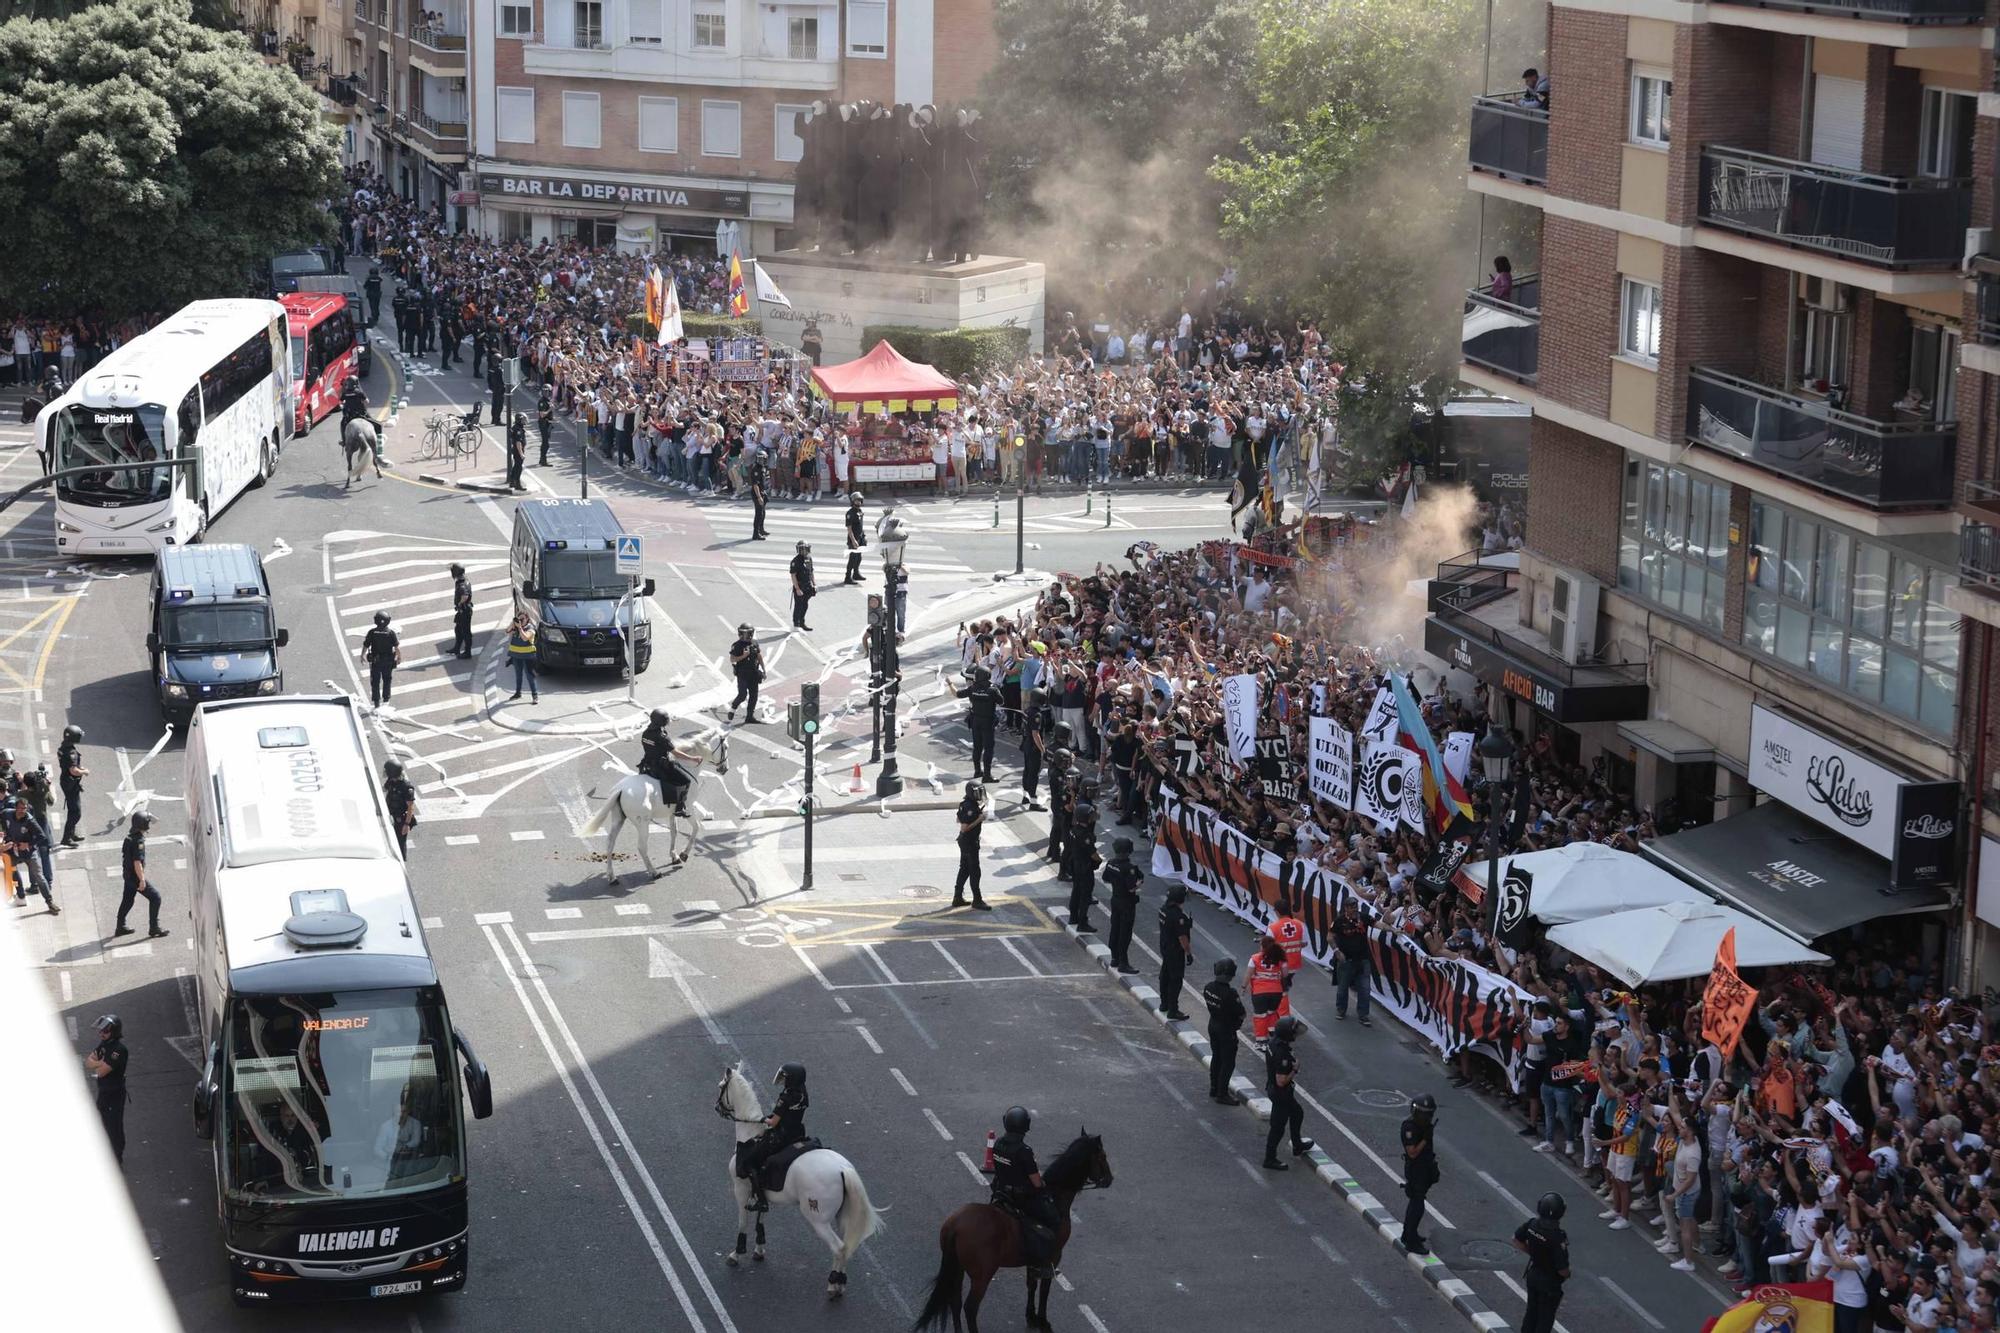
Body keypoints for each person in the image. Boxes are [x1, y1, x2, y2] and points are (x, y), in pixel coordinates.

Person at [990, 1105, 1057, 1271]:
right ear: (1025, 1126)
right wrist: (1044, 1184)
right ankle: (1045, 1264)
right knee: (1053, 1220)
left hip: (1001, 1193)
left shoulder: (997, 1143)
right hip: (1021, 1198)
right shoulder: (1024, 1151)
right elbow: (1036, 1183)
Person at [736, 1063, 809, 1212]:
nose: (782, 1080)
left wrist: (761, 1119)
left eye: (785, 1077)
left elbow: (774, 1122)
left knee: (750, 1161)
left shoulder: (786, 1097)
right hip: (797, 1132)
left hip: (781, 1135)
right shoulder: (803, 1093)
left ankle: (761, 1200)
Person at [1262, 1014, 1313, 1169]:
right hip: (1280, 1093)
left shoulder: (1273, 1042)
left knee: (1297, 1113)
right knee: (1277, 1128)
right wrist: (1295, 1070)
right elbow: (1281, 1081)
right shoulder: (1282, 1054)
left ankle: (1297, 1145)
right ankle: (1269, 1159)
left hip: (1277, 1090)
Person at [1514, 1192, 1570, 1333]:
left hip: (1533, 1275)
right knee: (1545, 1319)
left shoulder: (1532, 1224)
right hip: (1549, 1283)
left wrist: (1534, 1254)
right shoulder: (1557, 1237)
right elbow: (1562, 1269)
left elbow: (1516, 1239)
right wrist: (1568, 1274)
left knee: (1531, 1312)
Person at [84, 1013, 129, 1165]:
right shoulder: (104, 1045)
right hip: (104, 1093)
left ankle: (117, 1156)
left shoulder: (118, 1050)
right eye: (101, 1031)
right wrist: (99, 1063)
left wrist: (98, 1064)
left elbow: (101, 1071)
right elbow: (88, 1062)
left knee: (114, 1127)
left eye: (105, 1031)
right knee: (105, 1125)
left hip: (114, 1095)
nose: (101, 1033)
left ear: (114, 1032)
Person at [114, 811, 166, 939]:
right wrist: (142, 880)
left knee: (127, 900)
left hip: (128, 875)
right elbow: (137, 862)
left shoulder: (129, 838)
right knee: (155, 898)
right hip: (135, 877)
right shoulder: (138, 841)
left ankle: (120, 926)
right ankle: (154, 927)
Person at [1400, 1093, 1440, 1254]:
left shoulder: (1424, 1126)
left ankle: (1409, 1233)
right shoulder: (1409, 1128)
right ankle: (1410, 1240)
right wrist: (1425, 1139)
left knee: (1417, 1203)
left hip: (1425, 1168)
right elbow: (1412, 1153)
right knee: (1417, 1206)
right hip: (1416, 1170)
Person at [1204, 959, 1247, 1104]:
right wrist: (1237, 1023)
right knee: (1228, 1063)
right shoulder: (1230, 993)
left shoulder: (1208, 987)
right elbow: (1242, 1013)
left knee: (1216, 1057)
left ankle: (1214, 1087)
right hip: (1226, 1030)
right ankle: (1222, 1094)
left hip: (1213, 1025)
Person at [6, 793, 54, 913]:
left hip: (29, 852)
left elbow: (41, 836)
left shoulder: (30, 820)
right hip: (13, 850)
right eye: (21, 808)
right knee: (11, 870)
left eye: (25, 808)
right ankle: (21, 895)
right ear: (15, 807)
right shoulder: (6, 814)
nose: (23, 811)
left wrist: (28, 844)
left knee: (39, 876)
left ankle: (49, 901)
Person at [1103, 837, 1142, 974]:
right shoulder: (1129, 868)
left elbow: (1105, 878)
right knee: (1125, 933)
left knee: (1115, 928)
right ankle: (1123, 962)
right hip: (1127, 902)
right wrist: (1139, 883)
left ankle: (1114, 958)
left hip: (1115, 899)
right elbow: (1131, 888)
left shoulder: (1111, 863)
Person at [1332, 898, 1373, 1025]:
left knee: (1365, 988)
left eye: (1355, 906)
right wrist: (1337, 951)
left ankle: (1363, 1015)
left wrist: (1392, 929)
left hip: (1363, 959)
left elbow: (1379, 924)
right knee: (1343, 987)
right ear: (1346, 908)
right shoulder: (1339, 921)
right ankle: (1341, 1010)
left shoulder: (1363, 918)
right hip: (1346, 961)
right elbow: (1330, 937)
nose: (1354, 909)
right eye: (1351, 907)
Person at [952, 781, 991, 910]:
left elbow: (958, 819)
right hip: (969, 842)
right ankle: (977, 900)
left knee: (964, 868)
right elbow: (964, 828)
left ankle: (957, 897)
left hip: (965, 842)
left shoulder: (965, 804)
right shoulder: (970, 806)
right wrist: (979, 819)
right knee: (974, 871)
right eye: (978, 792)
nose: (980, 795)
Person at [1065, 790, 1100, 929]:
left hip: (1074, 863)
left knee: (1076, 891)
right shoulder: (1085, 835)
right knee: (1085, 894)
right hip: (1084, 866)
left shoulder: (1074, 829)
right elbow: (1093, 854)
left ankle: (1073, 917)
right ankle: (1082, 922)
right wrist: (1099, 861)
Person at [958, 665, 1000, 780]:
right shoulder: (992, 689)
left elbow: (959, 694)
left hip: (975, 721)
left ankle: (977, 771)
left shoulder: (973, 689)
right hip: (988, 722)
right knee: (988, 748)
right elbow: (1001, 701)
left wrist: (950, 684)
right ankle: (987, 775)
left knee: (977, 747)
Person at [1157, 884, 1193, 1020]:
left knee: (1164, 975)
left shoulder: (1163, 909)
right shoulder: (1178, 917)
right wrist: (1188, 953)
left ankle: (1164, 1003)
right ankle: (1173, 1009)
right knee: (1175, 980)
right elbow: (1182, 938)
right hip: (1175, 951)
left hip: (1165, 947)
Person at [1248, 936, 1286, 1044]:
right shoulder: (1280, 957)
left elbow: (1248, 974)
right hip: (1276, 992)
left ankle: (1261, 1041)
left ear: (1263, 947)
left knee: (1260, 1016)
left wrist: (1243, 986)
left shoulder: (1255, 958)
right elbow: (1285, 973)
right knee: (1272, 1012)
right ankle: (1273, 1033)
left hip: (1260, 992)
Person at [361, 610, 400, 709]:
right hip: (388, 661)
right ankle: (386, 700)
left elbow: (366, 645)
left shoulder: (372, 632)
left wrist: (362, 655)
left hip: (375, 662)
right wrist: (399, 657)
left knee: (375, 681)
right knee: (387, 680)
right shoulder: (390, 633)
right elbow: (396, 647)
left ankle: (376, 702)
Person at [726, 624, 764, 723]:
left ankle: (750, 716)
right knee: (742, 695)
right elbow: (732, 659)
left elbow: (759, 656)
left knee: (754, 696)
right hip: (742, 674)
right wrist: (744, 656)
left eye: (748, 633)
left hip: (753, 674)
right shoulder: (737, 645)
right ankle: (733, 708)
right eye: (744, 633)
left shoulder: (754, 643)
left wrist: (763, 669)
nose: (747, 636)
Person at [56, 722, 85, 847]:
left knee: (72, 810)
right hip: (70, 783)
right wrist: (84, 771)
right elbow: (73, 770)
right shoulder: (71, 752)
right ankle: (66, 838)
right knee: (76, 812)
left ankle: (72, 834)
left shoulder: (63, 747)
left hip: (66, 781)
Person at [1269, 896, 1305, 994]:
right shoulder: (1299, 924)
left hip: (1280, 966)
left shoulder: (1273, 927)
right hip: (1294, 965)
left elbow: (1267, 948)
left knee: (1278, 990)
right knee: (1284, 987)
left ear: (1277, 912)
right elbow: (1304, 943)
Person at [1021, 687, 1049, 811]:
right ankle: (1033, 802)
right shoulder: (1037, 714)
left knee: (1027, 771)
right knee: (1033, 774)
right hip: (1033, 747)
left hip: (1026, 744)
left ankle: (1025, 796)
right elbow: (1035, 733)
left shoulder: (1027, 711)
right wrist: (1043, 749)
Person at [383, 759, 417, 858]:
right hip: (390, 815)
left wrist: (406, 824)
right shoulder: (391, 780)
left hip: (400, 821)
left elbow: (410, 808)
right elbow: (384, 789)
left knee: (399, 844)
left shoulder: (406, 787)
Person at [505, 613, 539, 703]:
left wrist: (519, 628)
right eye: (519, 619)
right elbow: (507, 631)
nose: (520, 621)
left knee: (530, 676)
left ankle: (535, 695)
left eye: (522, 619)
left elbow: (525, 638)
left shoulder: (531, 629)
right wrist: (513, 624)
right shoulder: (515, 628)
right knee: (518, 675)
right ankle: (518, 693)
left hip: (528, 657)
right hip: (516, 656)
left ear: (527, 619)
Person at [789, 541, 816, 631]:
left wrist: (814, 584)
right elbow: (793, 575)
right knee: (798, 606)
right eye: (802, 549)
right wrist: (797, 588)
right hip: (800, 587)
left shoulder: (809, 558)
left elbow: (811, 572)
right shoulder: (795, 561)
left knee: (805, 605)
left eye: (805, 549)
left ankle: (802, 622)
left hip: (807, 586)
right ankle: (796, 624)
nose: (804, 551)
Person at [449, 562, 474, 659]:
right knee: (458, 629)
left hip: (465, 611)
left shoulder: (462, 583)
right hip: (462, 611)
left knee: (466, 632)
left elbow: (465, 596)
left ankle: (468, 653)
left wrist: (459, 603)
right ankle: (457, 648)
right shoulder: (464, 580)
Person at [746, 448, 771, 540]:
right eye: (763, 458)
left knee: (763, 513)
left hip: (762, 491)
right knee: (758, 514)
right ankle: (755, 534)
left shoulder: (762, 467)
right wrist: (759, 497)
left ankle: (761, 529)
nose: (764, 460)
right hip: (757, 493)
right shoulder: (756, 469)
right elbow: (755, 485)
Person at [843, 492, 866, 584]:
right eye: (857, 500)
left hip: (860, 538)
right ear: (853, 501)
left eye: (860, 500)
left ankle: (856, 573)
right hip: (854, 539)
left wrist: (863, 537)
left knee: (859, 557)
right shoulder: (850, 513)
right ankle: (847, 577)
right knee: (852, 558)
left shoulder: (860, 511)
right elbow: (849, 529)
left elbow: (860, 526)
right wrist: (853, 540)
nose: (859, 502)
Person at [506, 411, 528, 490]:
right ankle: (517, 484)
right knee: (518, 467)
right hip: (518, 451)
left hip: (516, 450)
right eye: (523, 420)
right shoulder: (518, 430)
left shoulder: (517, 427)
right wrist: (521, 453)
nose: (525, 421)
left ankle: (512, 481)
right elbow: (518, 442)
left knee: (516, 466)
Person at [536, 388, 555, 466]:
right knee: (545, 443)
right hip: (544, 423)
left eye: (547, 392)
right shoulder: (542, 402)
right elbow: (542, 414)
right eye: (545, 392)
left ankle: (542, 459)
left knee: (546, 442)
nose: (546, 393)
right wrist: (550, 409)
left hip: (548, 423)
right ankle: (543, 460)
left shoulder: (548, 400)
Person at [487, 357, 507, 426]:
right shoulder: (500, 370)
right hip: (500, 390)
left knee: (494, 404)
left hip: (494, 389)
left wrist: (491, 387)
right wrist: (504, 388)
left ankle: (493, 419)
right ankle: (497, 420)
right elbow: (503, 380)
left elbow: (488, 379)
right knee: (499, 405)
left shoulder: (491, 369)